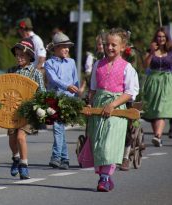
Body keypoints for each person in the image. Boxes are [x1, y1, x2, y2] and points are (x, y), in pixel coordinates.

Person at [86, 28, 139, 192]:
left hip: (116, 109)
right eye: (107, 44)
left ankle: (104, 178)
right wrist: (90, 103)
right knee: (99, 143)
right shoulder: (98, 64)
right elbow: (93, 88)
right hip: (99, 107)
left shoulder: (127, 67)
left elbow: (130, 92)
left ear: (123, 47)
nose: (109, 47)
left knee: (110, 144)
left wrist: (113, 104)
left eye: (113, 45)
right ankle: (105, 177)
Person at [7, 38, 46, 179]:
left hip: (28, 111)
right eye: (17, 55)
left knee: (20, 137)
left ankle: (24, 165)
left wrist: (38, 106)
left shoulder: (35, 73)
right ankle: (16, 158)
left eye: (22, 55)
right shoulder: (12, 72)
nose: (18, 58)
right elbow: (5, 90)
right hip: (12, 111)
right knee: (12, 138)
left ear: (29, 56)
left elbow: (42, 92)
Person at [44, 32, 79, 170]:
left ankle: (62, 159)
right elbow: (53, 80)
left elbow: (75, 80)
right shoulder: (49, 63)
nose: (67, 49)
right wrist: (67, 86)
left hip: (69, 101)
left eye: (68, 47)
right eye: (64, 46)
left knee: (60, 129)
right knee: (59, 128)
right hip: (55, 100)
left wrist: (77, 99)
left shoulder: (71, 62)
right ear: (56, 48)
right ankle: (59, 157)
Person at [142, 27, 172, 147]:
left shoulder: (170, 51)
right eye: (159, 36)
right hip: (153, 81)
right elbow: (145, 66)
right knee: (153, 110)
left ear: (167, 38)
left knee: (162, 108)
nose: (161, 39)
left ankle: (158, 135)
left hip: (167, 82)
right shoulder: (150, 51)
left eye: (163, 37)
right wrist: (152, 53)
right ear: (155, 38)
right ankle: (157, 137)